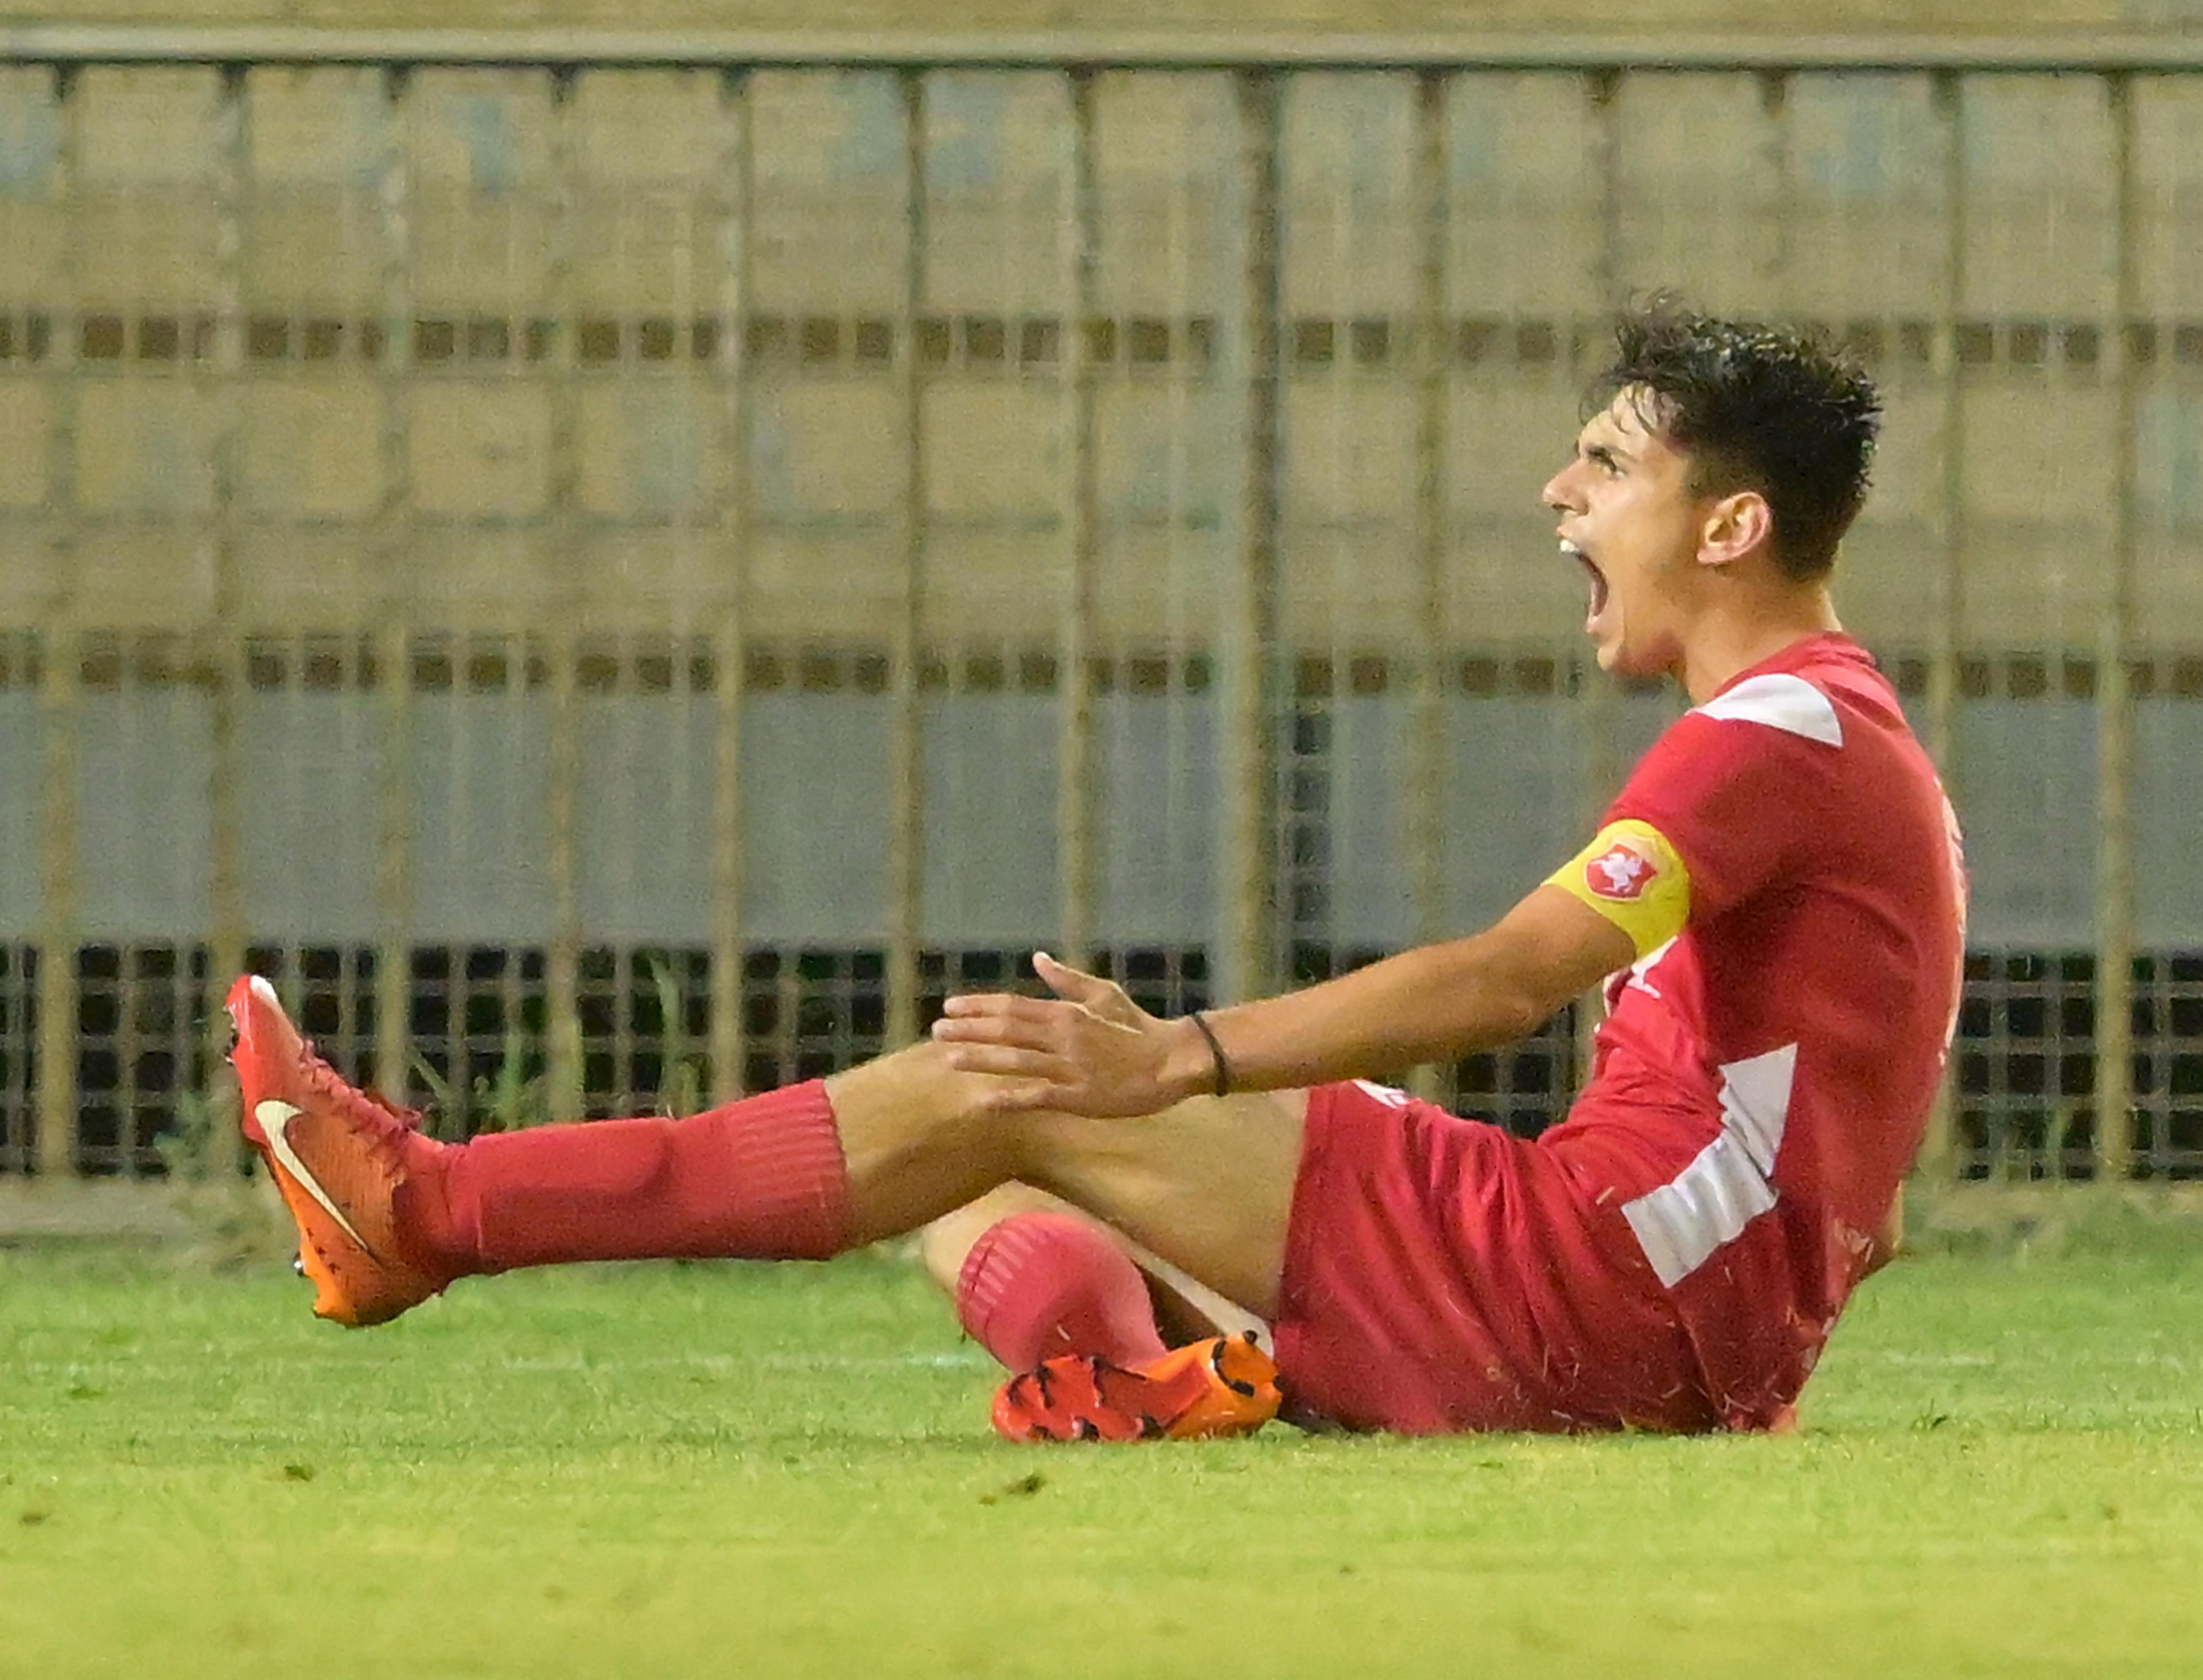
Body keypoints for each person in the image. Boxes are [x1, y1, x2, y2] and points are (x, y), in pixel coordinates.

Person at [229, 303, 1964, 1441]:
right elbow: (1844, 1162)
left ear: (1731, 526)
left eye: (1608, 463)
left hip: (1590, 1288)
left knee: (1010, 1089)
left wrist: (1178, 1059)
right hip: (1654, 1317)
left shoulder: (1779, 732)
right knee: (974, 1192)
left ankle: (425, 1213)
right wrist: (1766, 1326)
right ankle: (1142, 1371)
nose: (1558, 489)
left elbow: (1516, 975)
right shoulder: (1841, 734)